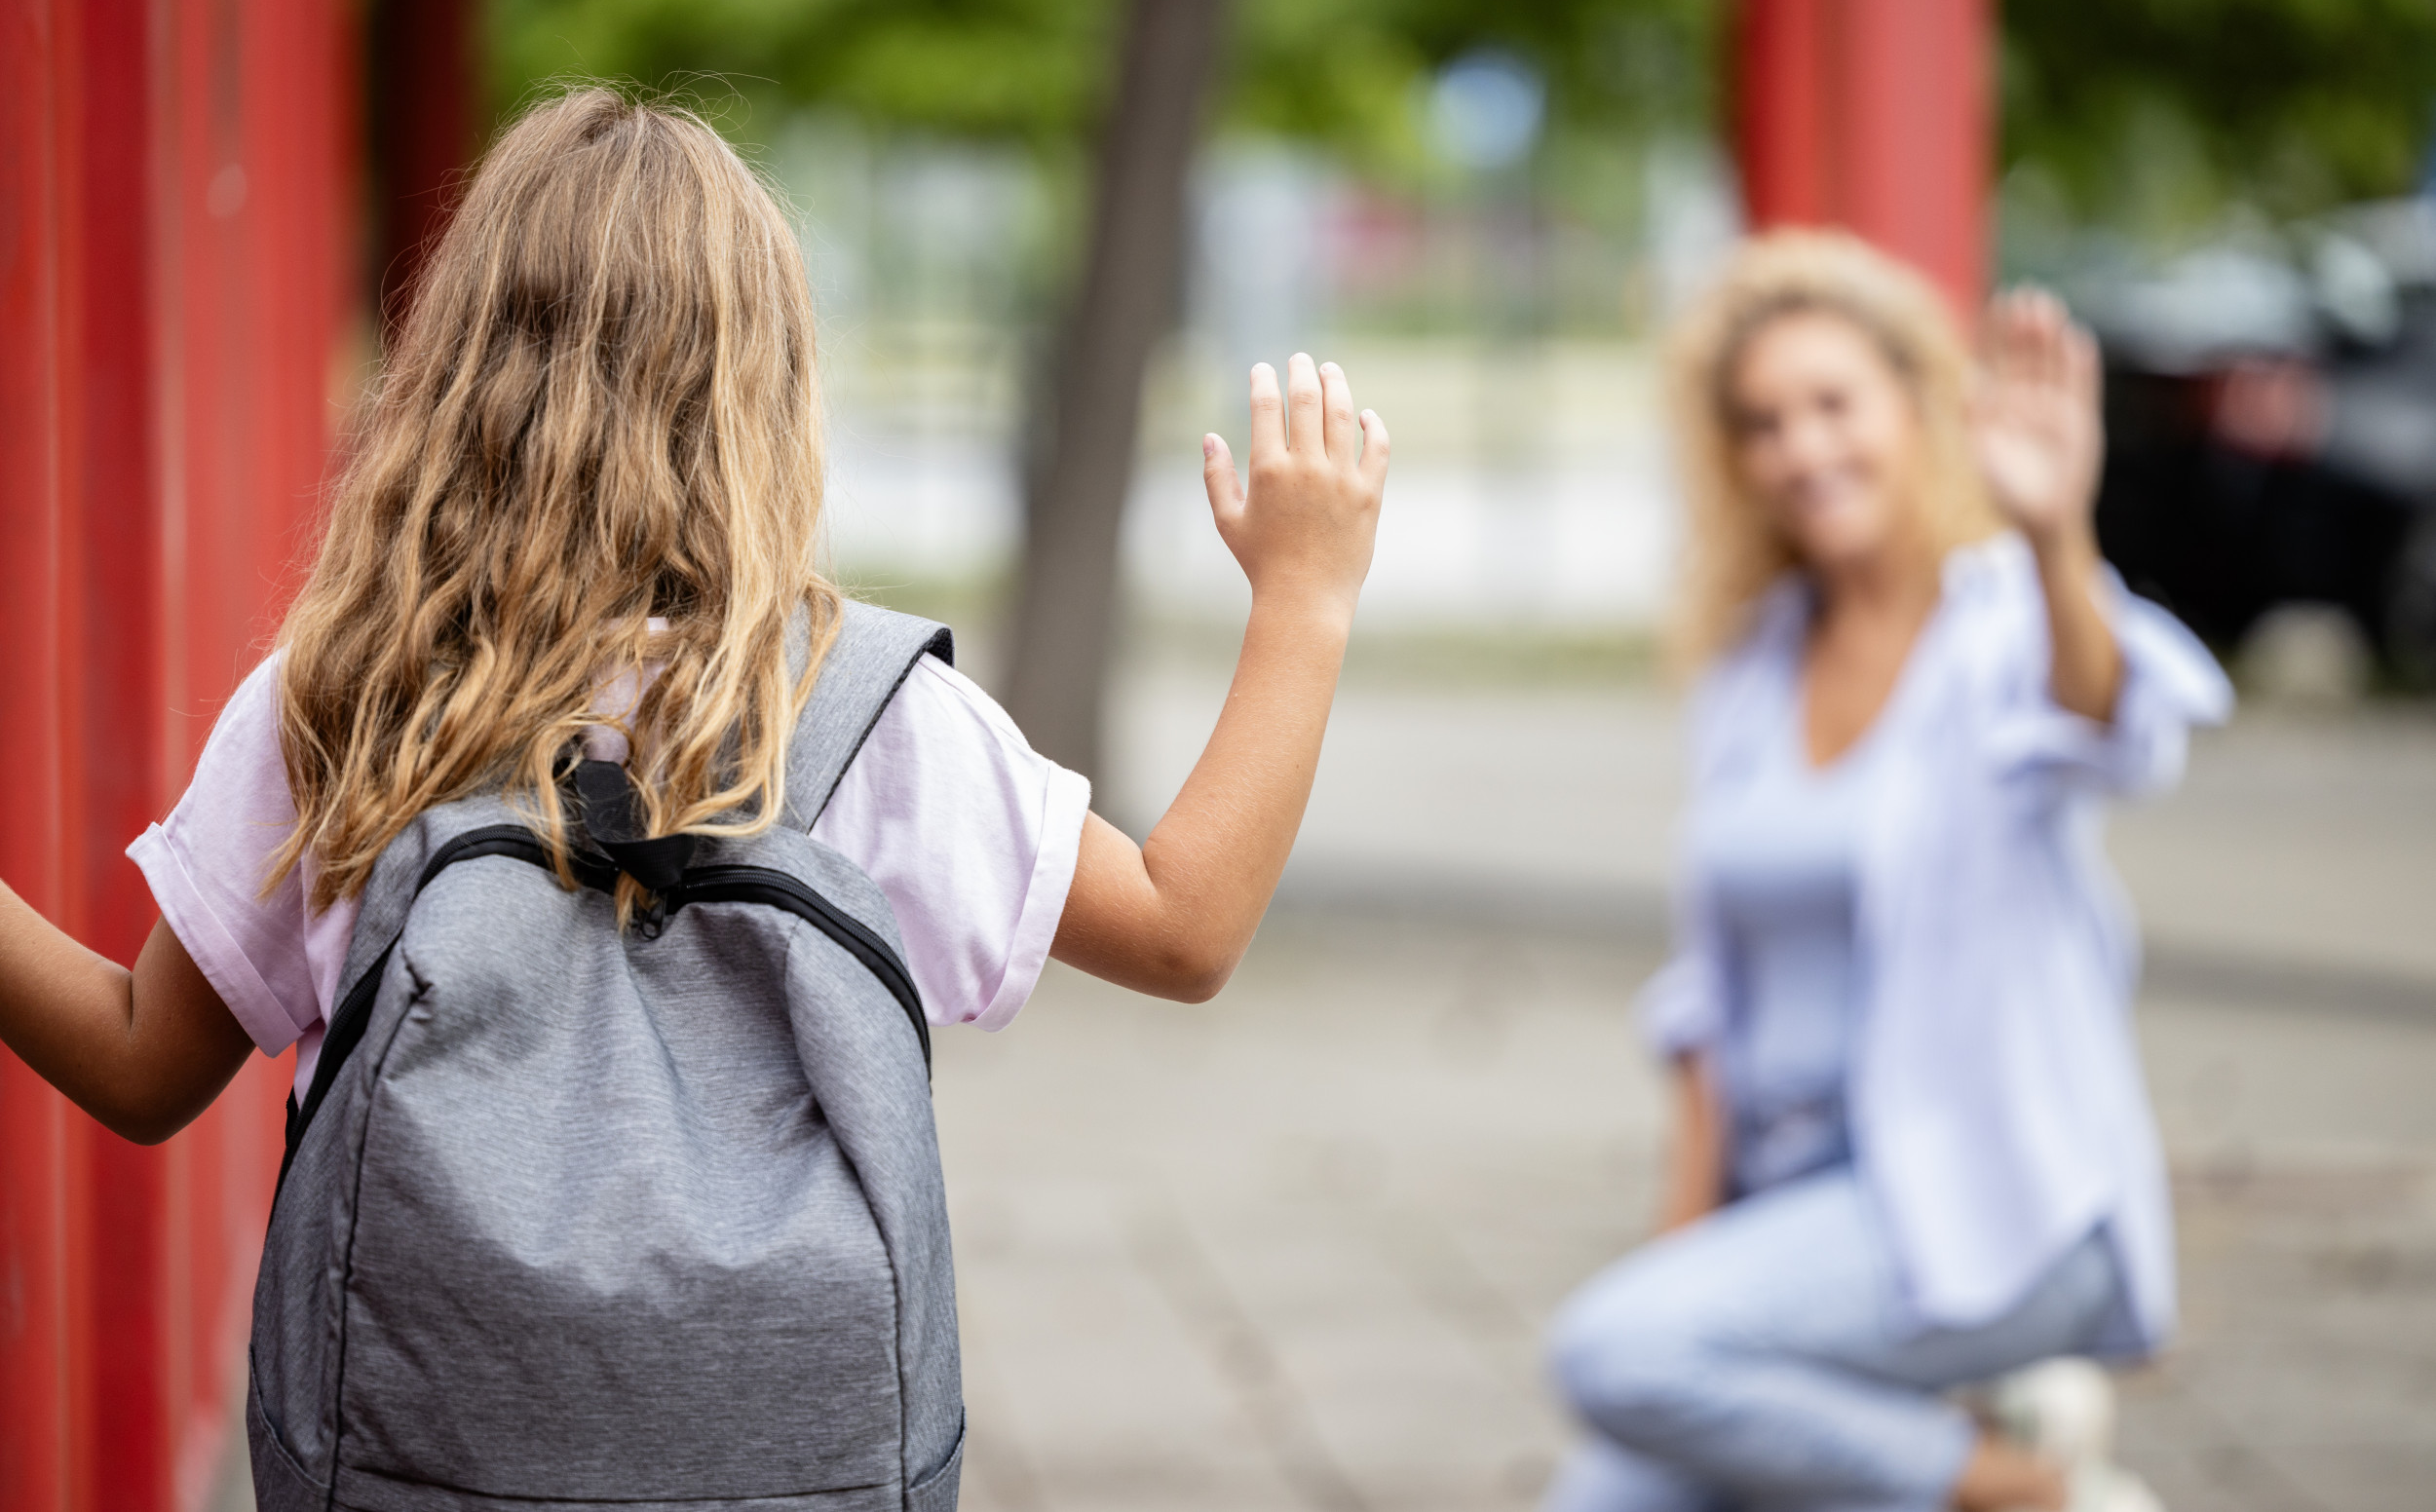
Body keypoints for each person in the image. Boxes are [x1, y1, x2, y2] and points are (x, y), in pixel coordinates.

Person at [0, 86, 1386, 1448]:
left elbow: (139, 1065)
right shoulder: (852, 712)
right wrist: (1303, 601)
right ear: (766, 394)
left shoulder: (352, 692)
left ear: (452, 371)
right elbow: (1186, 929)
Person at [1543, 232, 2231, 1512]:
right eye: (1762, 423)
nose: (1802, 449)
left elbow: (2113, 720)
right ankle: (1976, 1448)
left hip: (1998, 1208)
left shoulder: (2003, 624)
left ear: (1918, 407)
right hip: (1798, 1215)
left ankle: (2018, 1488)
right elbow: (1709, 1003)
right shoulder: (1754, 670)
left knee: (1609, 1353)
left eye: (1832, 405)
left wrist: (2056, 537)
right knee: (1611, 1482)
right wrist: (1687, 1260)